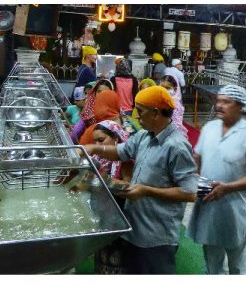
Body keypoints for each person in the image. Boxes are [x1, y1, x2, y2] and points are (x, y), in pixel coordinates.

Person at [83, 86, 198, 274]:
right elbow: (121, 152)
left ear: (155, 113)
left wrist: (147, 190)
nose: (137, 117)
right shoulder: (144, 137)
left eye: (141, 112)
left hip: (156, 237)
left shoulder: (176, 147)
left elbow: (189, 192)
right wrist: (95, 149)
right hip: (135, 230)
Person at [188, 85, 246, 275]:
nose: (219, 105)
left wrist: (227, 187)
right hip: (208, 204)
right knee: (212, 265)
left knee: (238, 265)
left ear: (240, 106)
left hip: (234, 209)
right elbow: (196, 159)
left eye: (226, 102)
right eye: (218, 101)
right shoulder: (209, 128)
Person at [91, 120, 131, 274]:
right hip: (102, 214)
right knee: (102, 255)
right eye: (95, 141)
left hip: (120, 216)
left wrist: (105, 180)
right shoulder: (100, 158)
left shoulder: (125, 160)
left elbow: (127, 185)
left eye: (101, 140)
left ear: (116, 138)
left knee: (118, 259)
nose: (97, 145)